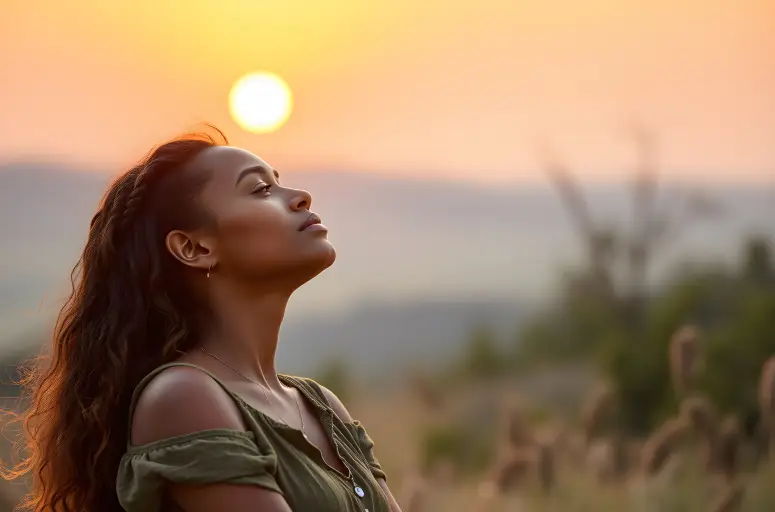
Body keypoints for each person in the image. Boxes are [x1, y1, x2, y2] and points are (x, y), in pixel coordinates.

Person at [7, 127, 403, 511]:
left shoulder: (321, 405)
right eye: (261, 189)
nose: (300, 197)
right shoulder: (183, 397)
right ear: (194, 247)